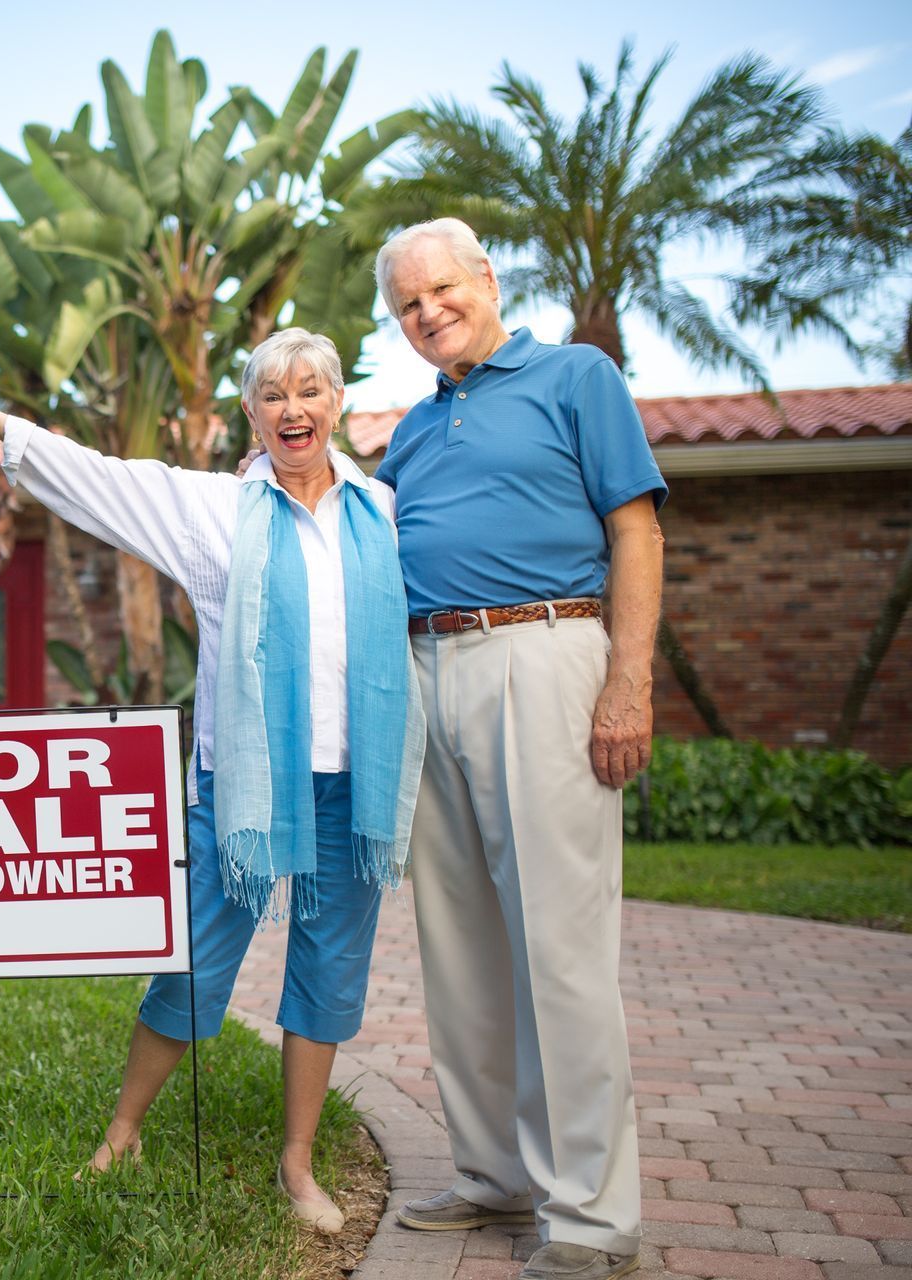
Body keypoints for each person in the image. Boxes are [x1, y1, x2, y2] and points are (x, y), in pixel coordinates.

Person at [0, 327, 423, 1234]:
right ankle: (124, 1132)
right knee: (193, 957)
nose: (292, 409)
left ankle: (296, 1163)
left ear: (338, 402)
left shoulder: (379, 510)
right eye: (273, 395)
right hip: (244, 787)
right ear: (249, 415)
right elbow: (98, 478)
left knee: (329, 967)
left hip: (353, 780)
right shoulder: (212, 508)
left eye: (309, 390)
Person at [373, 218, 664, 1280]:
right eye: (407, 305)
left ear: (487, 279)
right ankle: (494, 1172)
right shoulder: (409, 429)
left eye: (442, 289)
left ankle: (591, 1215)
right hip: (425, 672)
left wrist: (626, 678)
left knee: (561, 945)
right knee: (458, 942)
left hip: (544, 652)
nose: (428, 312)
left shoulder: (576, 376)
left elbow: (637, 528)